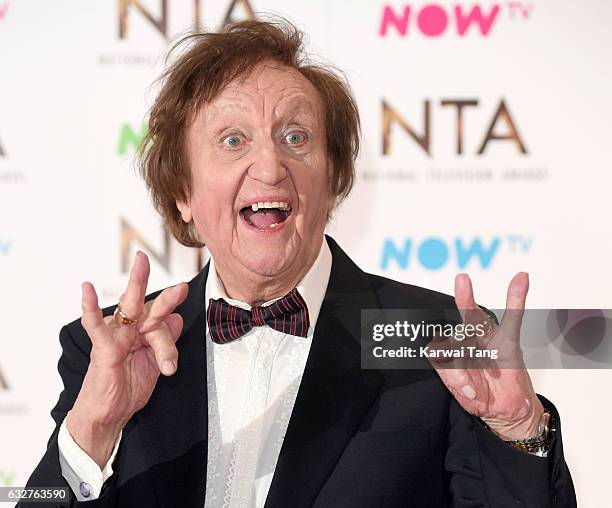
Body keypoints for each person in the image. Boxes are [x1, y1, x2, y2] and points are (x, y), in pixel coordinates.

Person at [22, 19, 576, 507]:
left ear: (332, 181)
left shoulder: (435, 337)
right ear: (182, 191)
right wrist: (92, 427)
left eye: (296, 137)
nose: (269, 165)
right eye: (233, 140)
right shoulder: (108, 352)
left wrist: (518, 431)